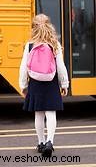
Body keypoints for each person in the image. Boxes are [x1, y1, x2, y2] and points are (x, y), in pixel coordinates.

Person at [19, 14, 69, 157]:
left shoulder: (29, 45)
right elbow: (60, 66)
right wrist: (64, 83)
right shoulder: (54, 44)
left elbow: (23, 68)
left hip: (35, 82)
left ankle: (40, 143)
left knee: (39, 113)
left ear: (33, 28)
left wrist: (23, 85)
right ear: (49, 26)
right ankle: (49, 142)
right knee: (51, 112)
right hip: (51, 81)